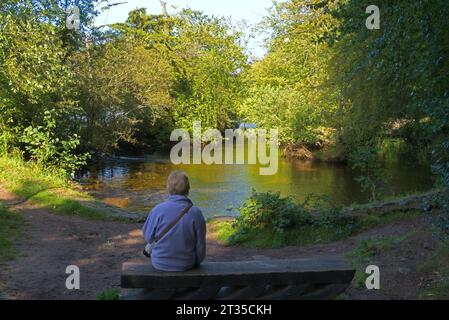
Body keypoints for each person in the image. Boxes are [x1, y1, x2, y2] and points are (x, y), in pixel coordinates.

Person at [142, 171, 206, 272]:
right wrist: (197, 262)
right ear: (188, 189)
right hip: (187, 264)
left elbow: (148, 237)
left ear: (168, 189)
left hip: (159, 263)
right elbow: (200, 246)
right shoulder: (196, 213)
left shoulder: (157, 210)